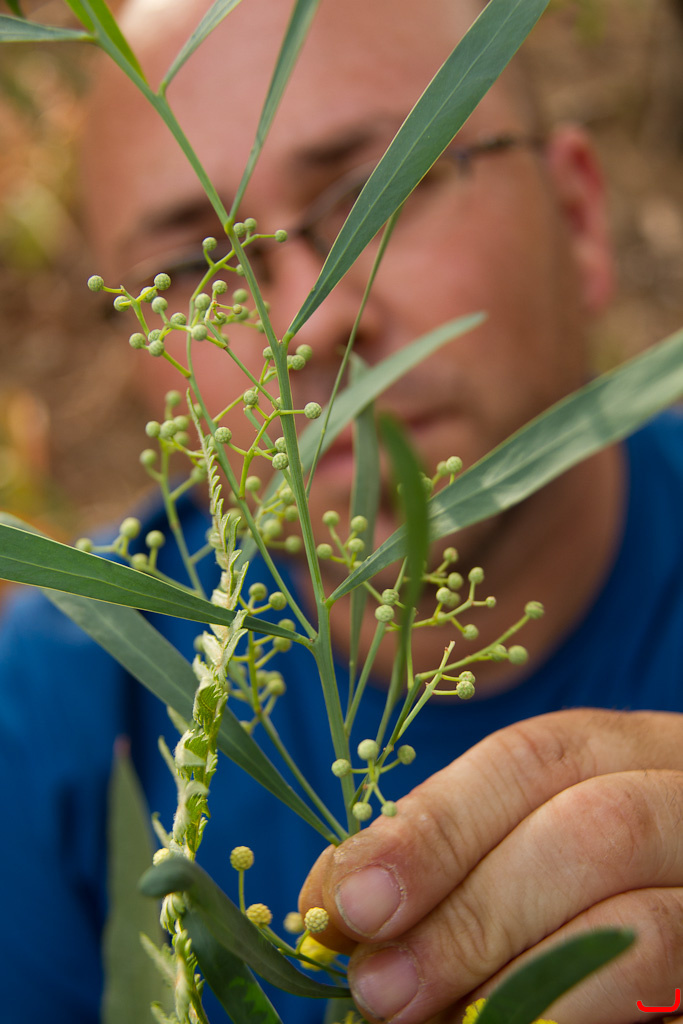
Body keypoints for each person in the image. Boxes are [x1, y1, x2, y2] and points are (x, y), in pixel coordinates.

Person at [1, 0, 683, 1022]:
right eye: (191, 268)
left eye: (376, 191)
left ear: (578, 218)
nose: (302, 329)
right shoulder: (64, 704)